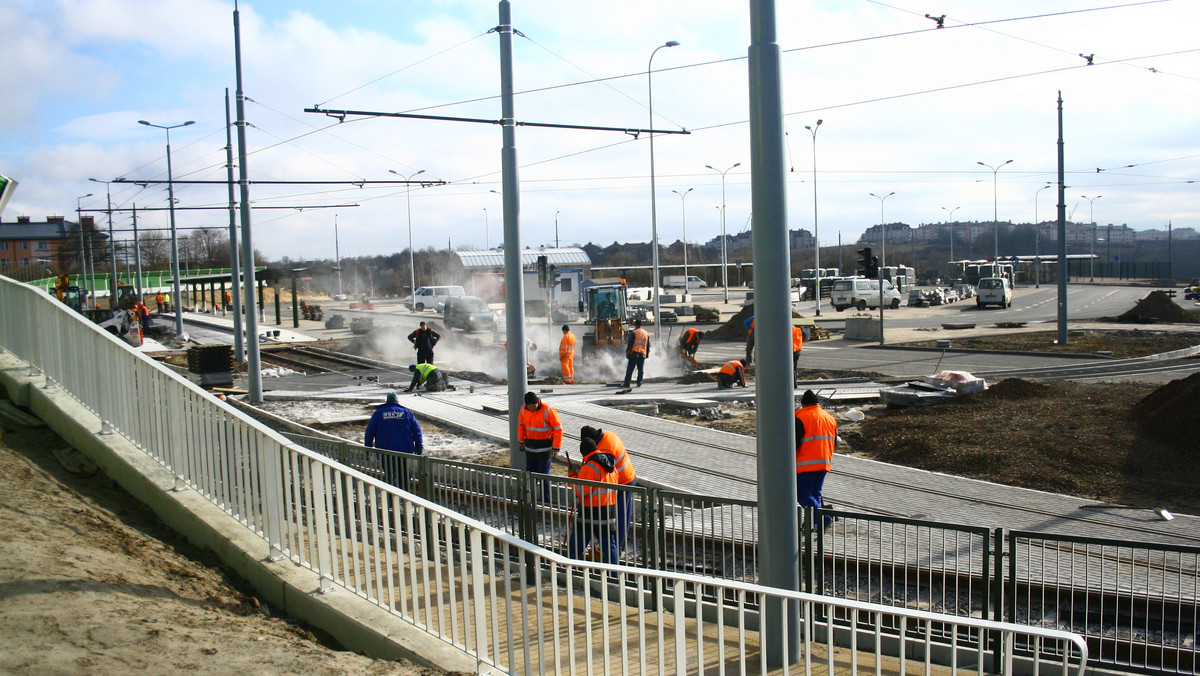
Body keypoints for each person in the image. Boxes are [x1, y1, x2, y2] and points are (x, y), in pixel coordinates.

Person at [580, 425, 637, 551]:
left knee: (619, 517)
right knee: (623, 514)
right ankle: (618, 547)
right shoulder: (607, 435)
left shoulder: (606, 449)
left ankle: (617, 547)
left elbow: (604, 471)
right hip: (627, 477)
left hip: (623, 482)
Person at [566, 437, 619, 564]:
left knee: (576, 544)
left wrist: (572, 476)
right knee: (609, 547)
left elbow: (581, 491)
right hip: (608, 512)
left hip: (590, 514)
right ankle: (615, 576)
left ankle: (569, 568)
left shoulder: (590, 467)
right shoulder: (611, 466)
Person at [364, 392, 424, 491]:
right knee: (403, 475)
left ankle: (391, 498)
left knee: (389, 475)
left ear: (387, 401)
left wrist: (368, 447)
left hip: (385, 451)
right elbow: (417, 430)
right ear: (397, 401)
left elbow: (370, 432)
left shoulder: (379, 413)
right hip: (403, 451)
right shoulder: (406, 412)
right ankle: (403, 495)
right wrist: (419, 446)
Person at [795, 389, 837, 526]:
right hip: (824, 463)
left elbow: (794, 442)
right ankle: (815, 523)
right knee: (815, 493)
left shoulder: (800, 417)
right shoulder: (830, 418)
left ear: (803, 404)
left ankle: (824, 518)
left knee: (802, 494)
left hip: (805, 463)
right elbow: (834, 441)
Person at [517, 392, 563, 500]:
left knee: (543, 475)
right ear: (526, 405)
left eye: (534, 405)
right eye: (530, 406)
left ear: (537, 402)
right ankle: (530, 498)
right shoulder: (523, 410)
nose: (532, 408)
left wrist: (556, 447)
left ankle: (545, 499)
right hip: (530, 448)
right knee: (530, 475)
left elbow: (558, 429)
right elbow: (521, 426)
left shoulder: (548, 410)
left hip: (544, 449)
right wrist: (520, 442)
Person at [621, 319, 650, 388]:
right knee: (640, 370)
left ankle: (627, 384)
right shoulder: (646, 333)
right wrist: (647, 354)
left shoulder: (634, 332)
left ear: (635, 325)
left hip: (634, 353)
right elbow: (648, 345)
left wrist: (628, 353)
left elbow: (630, 344)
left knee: (630, 370)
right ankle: (639, 382)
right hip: (642, 354)